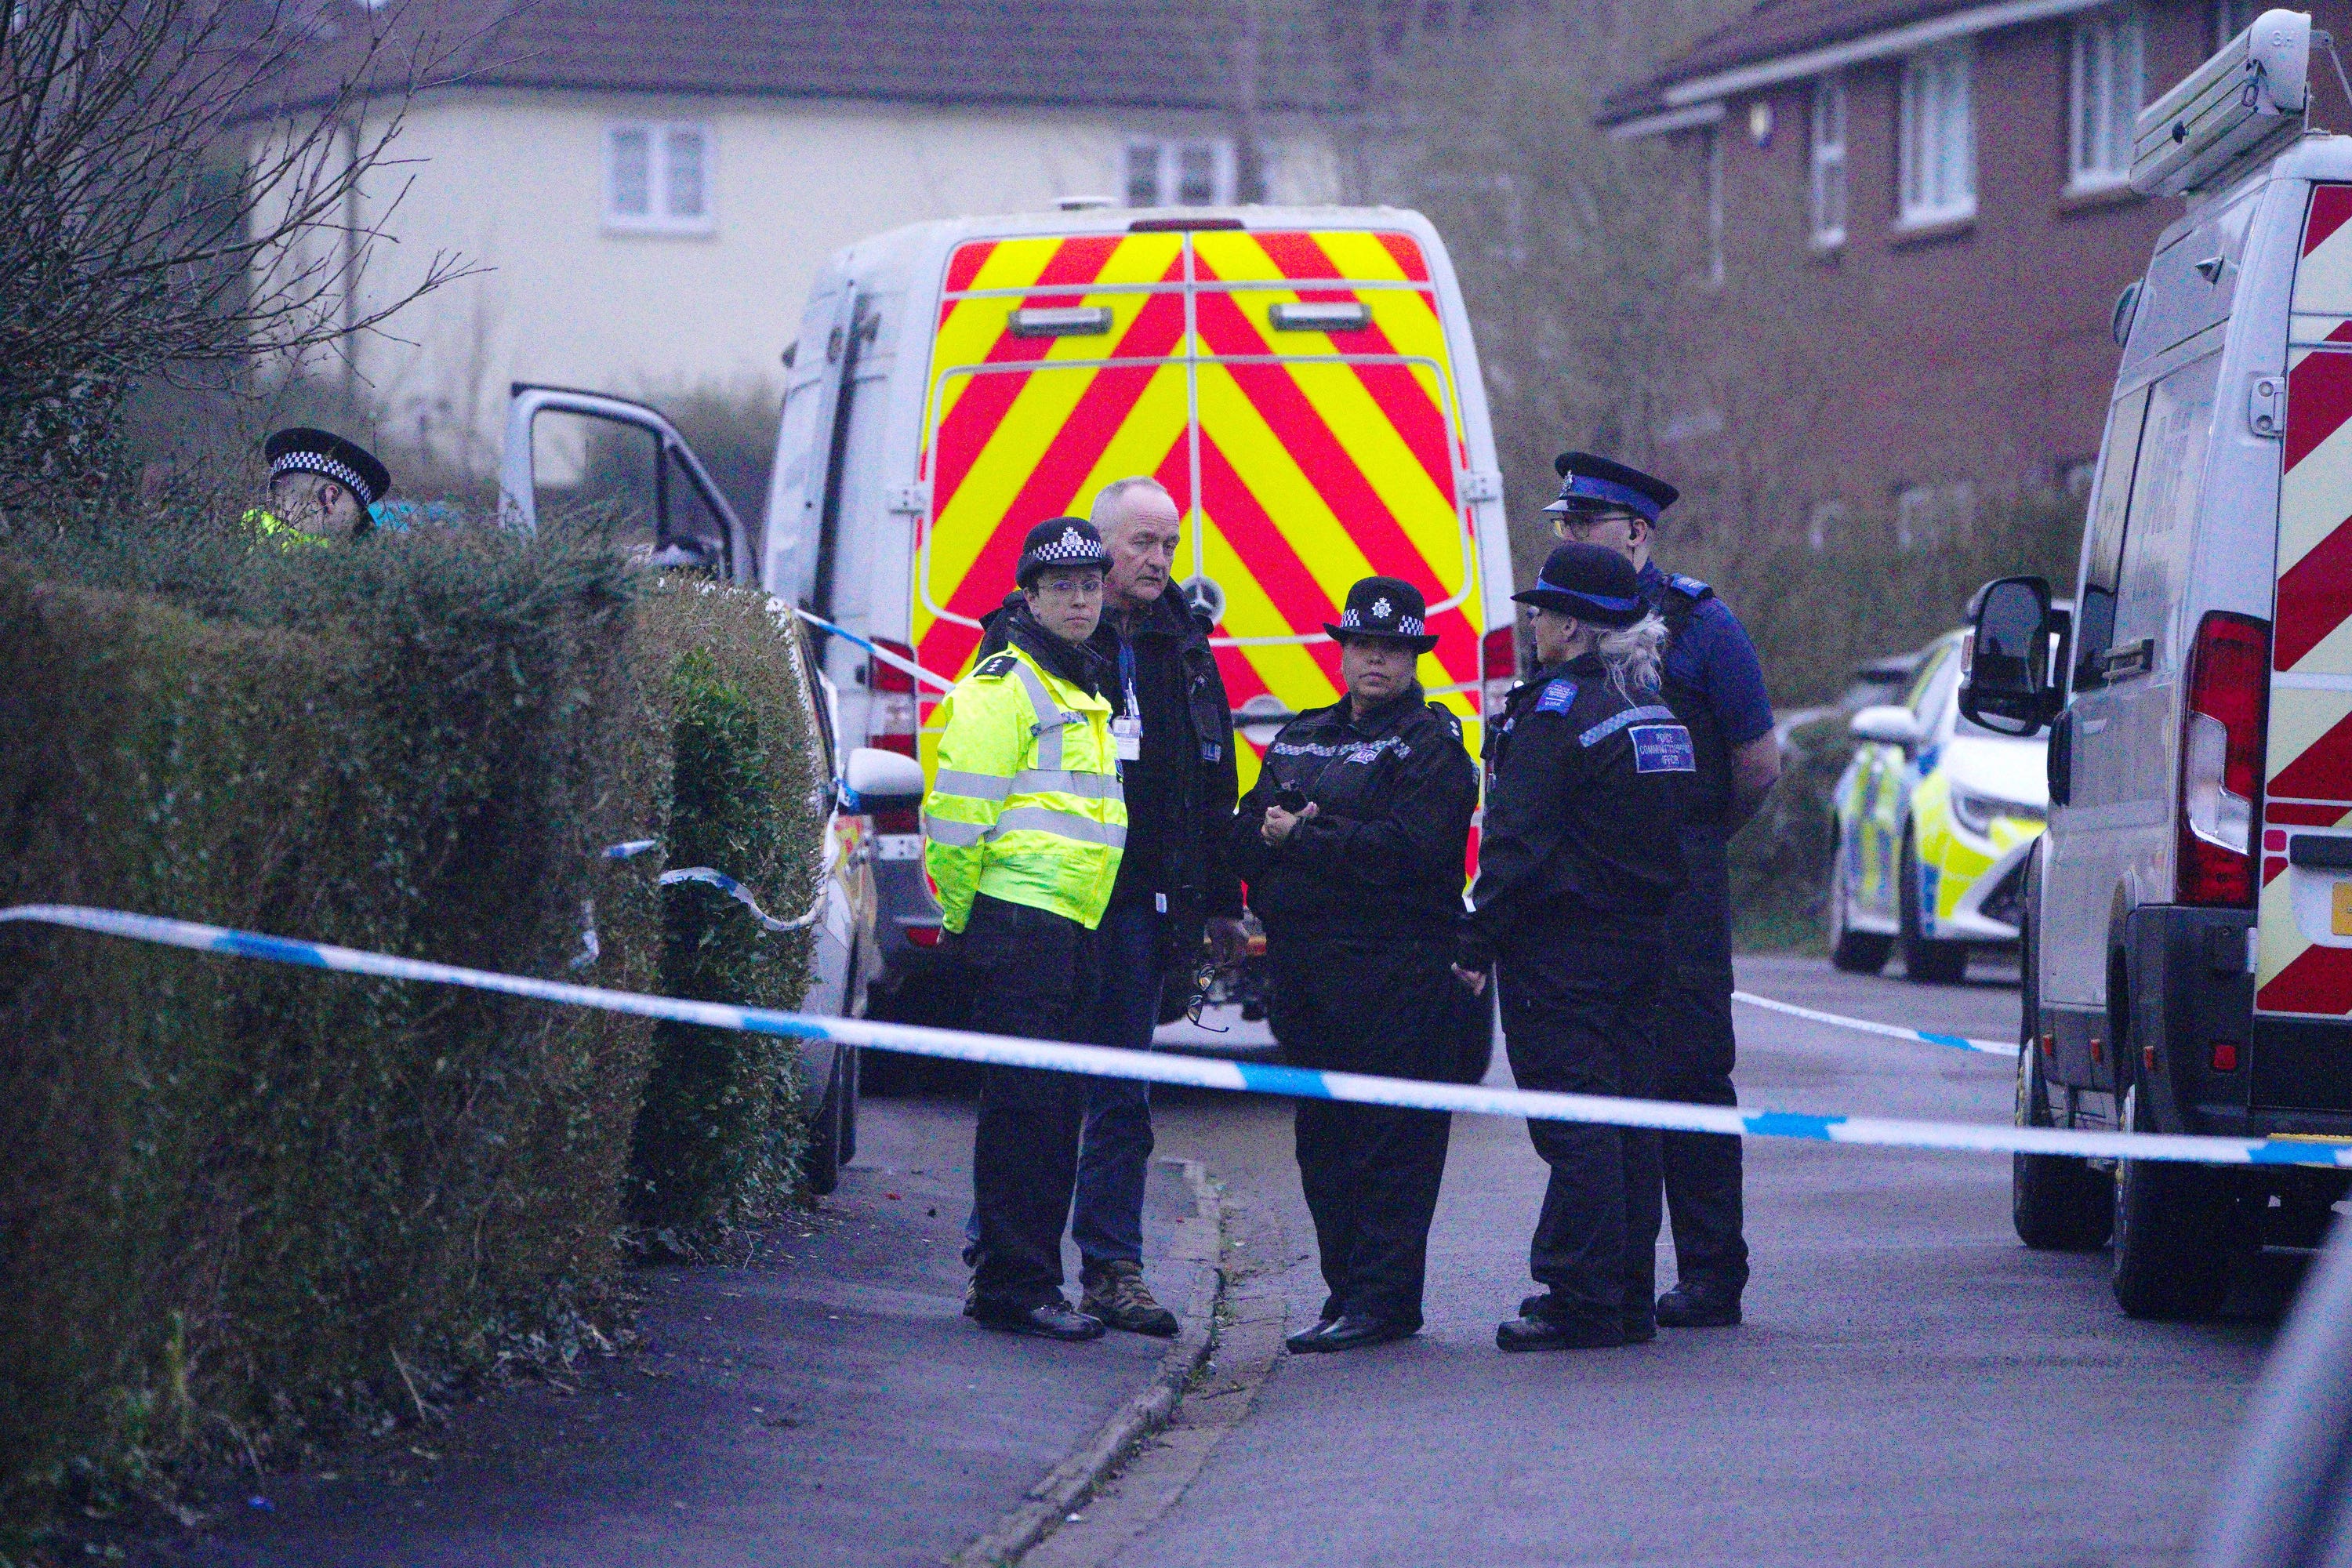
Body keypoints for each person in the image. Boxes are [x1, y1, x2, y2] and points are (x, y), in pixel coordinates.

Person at [961, 475, 1243, 1338]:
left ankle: (1113, 1268)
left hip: (1135, 906)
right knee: (1031, 1089)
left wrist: (1220, 905)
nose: (1158, 559)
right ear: (1098, 546)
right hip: (1045, 909)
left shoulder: (1182, 645)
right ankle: (1005, 1258)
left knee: (1122, 1094)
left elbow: (1211, 779)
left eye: (1169, 543)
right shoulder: (1031, 649)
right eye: (1141, 543)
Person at [1544, 452, 1778, 1330]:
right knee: (1611, 1073)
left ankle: (1713, 1272)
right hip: (1590, 885)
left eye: (1584, 524)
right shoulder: (1565, 616)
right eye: (1562, 525)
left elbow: (1758, 762)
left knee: (1689, 1072)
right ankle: (1618, 1274)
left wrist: (1699, 839)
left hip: (1679, 881)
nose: (1567, 538)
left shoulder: (1701, 624)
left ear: (1636, 532)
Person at [1230, 577, 1477, 1354]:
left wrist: (1305, 837)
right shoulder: (1301, 736)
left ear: (1413, 656)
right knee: (1324, 1144)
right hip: (1310, 976)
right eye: (1364, 644)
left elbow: (1410, 852)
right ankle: (1347, 1294)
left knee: (1391, 1145)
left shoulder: (1431, 744)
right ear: (1342, 650)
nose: (1376, 659)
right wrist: (1302, 847)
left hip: (1399, 976)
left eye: (1393, 647)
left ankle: (1384, 1299)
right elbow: (1249, 834)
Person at [1458, 542, 1693, 1352]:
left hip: (1562, 951)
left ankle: (1582, 1297)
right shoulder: (1656, 711)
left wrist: (1477, 938)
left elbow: (1516, 842)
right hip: (1643, 942)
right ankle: (1627, 1293)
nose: (1532, 624)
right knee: (1628, 1118)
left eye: (1540, 612)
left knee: (1576, 1124)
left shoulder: (1555, 713)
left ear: (1569, 624)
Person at [924, 517, 1127, 1341]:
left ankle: (1024, 1280)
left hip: (1069, 924)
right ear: (1030, 595)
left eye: (1090, 584)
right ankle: (1018, 1286)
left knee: (1049, 1113)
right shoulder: (1004, 686)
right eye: (1063, 586)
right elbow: (955, 818)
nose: (1081, 598)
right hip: (1021, 925)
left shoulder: (1079, 683)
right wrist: (964, 919)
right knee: (1028, 1116)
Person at [248, 427, 390, 546]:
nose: (356, 530)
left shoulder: (233, 546)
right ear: (330, 497)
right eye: (357, 518)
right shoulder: (314, 574)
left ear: (270, 496)